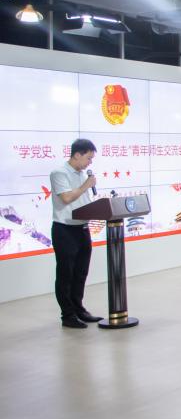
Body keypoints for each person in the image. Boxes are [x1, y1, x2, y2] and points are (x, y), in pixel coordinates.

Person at [50, 138, 99, 328]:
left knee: (81, 272)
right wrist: (86, 184)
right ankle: (68, 315)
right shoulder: (59, 173)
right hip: (65, 230)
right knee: (66, 274)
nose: (90, 163)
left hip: (82, 228)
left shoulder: (82, 175)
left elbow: (83, 200)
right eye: (88, 158)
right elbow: (66, 198)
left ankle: (79, 309)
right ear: (77, 154)